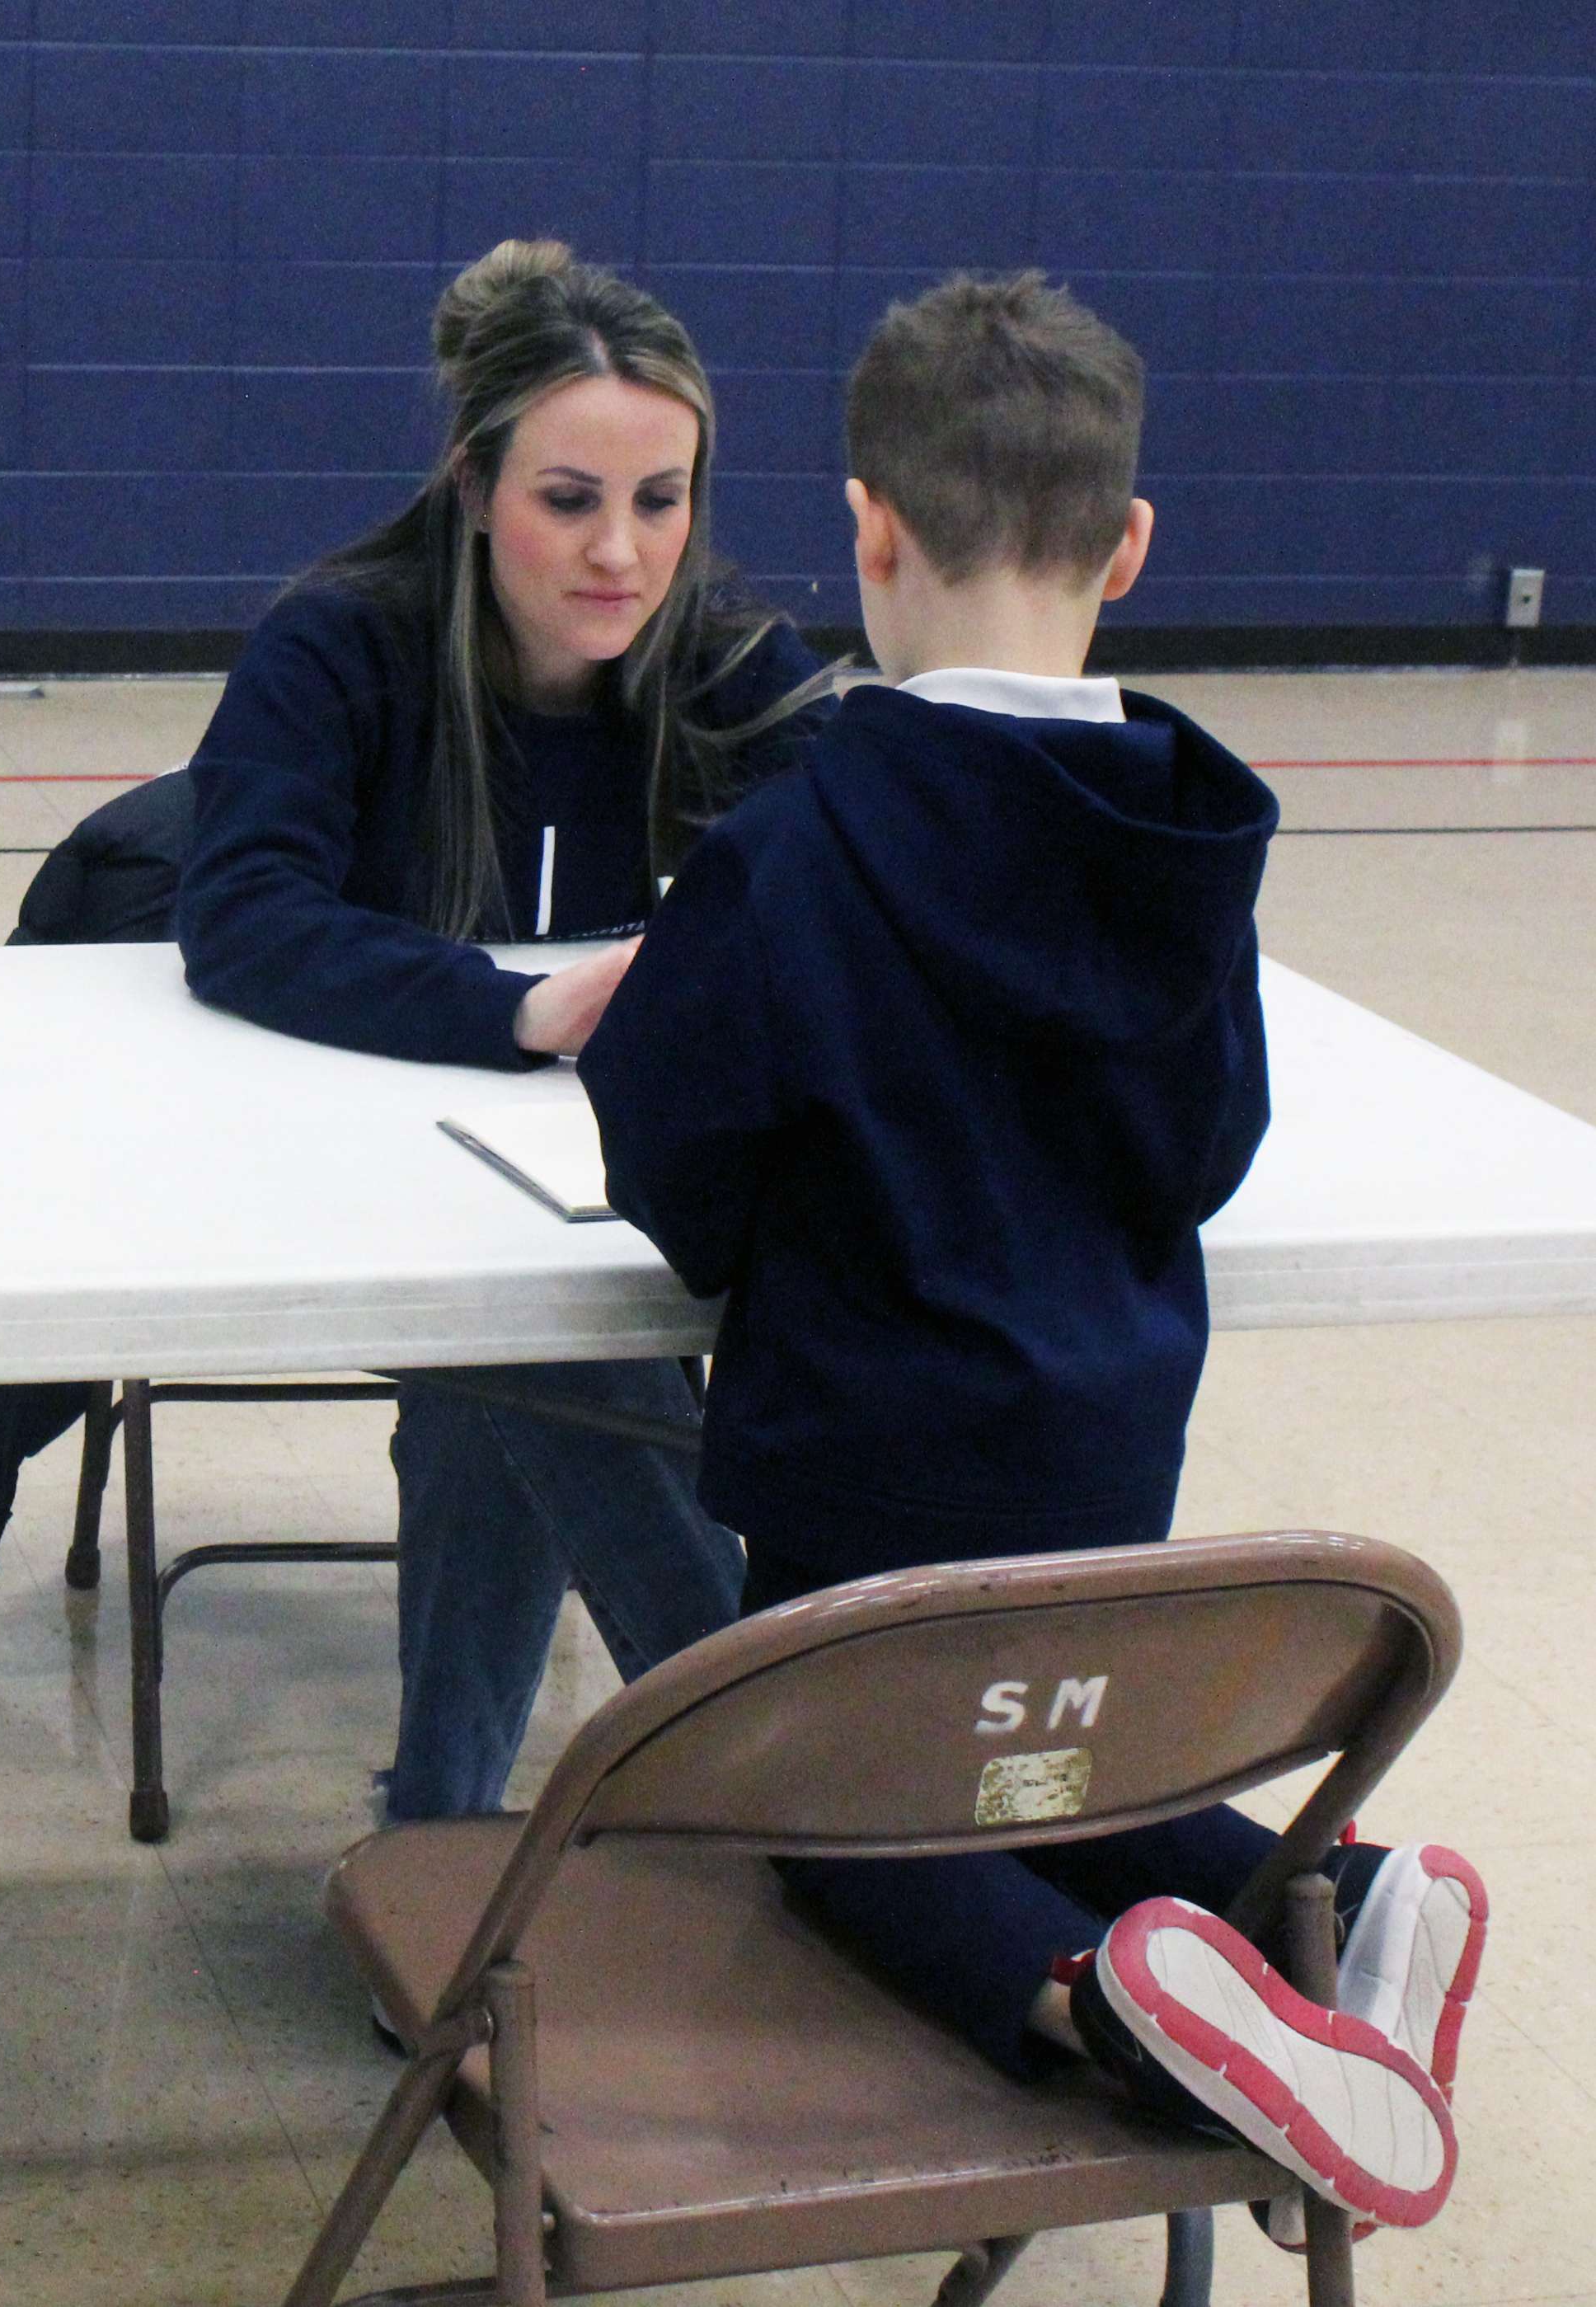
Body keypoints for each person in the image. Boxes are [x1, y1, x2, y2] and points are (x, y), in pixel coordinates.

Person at [580, 274, 1484, 2231]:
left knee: (845, 1823)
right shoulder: (1179, 843)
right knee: (1049, 1768)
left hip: (862, 1458)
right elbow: (1208, 1142)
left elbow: (676, 1165)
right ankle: (1339, 1900)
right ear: (1129, 547)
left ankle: (1108, 2009)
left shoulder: (792, 847)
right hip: (1100, 1458)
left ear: (867, 529)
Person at [174, 240, 833, 1822]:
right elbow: (243, 915)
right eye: (569, 500)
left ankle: (446, 1835)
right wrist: (516, 1008)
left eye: (660, 500)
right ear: (475, 488)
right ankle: (787, 1778)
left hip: (622, 1195)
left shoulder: (735, 667)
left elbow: (860, 881)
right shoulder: (342, 643)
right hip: (354, 1168)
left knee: (514, 1361)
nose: (621, 551)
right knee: (525, 1340)